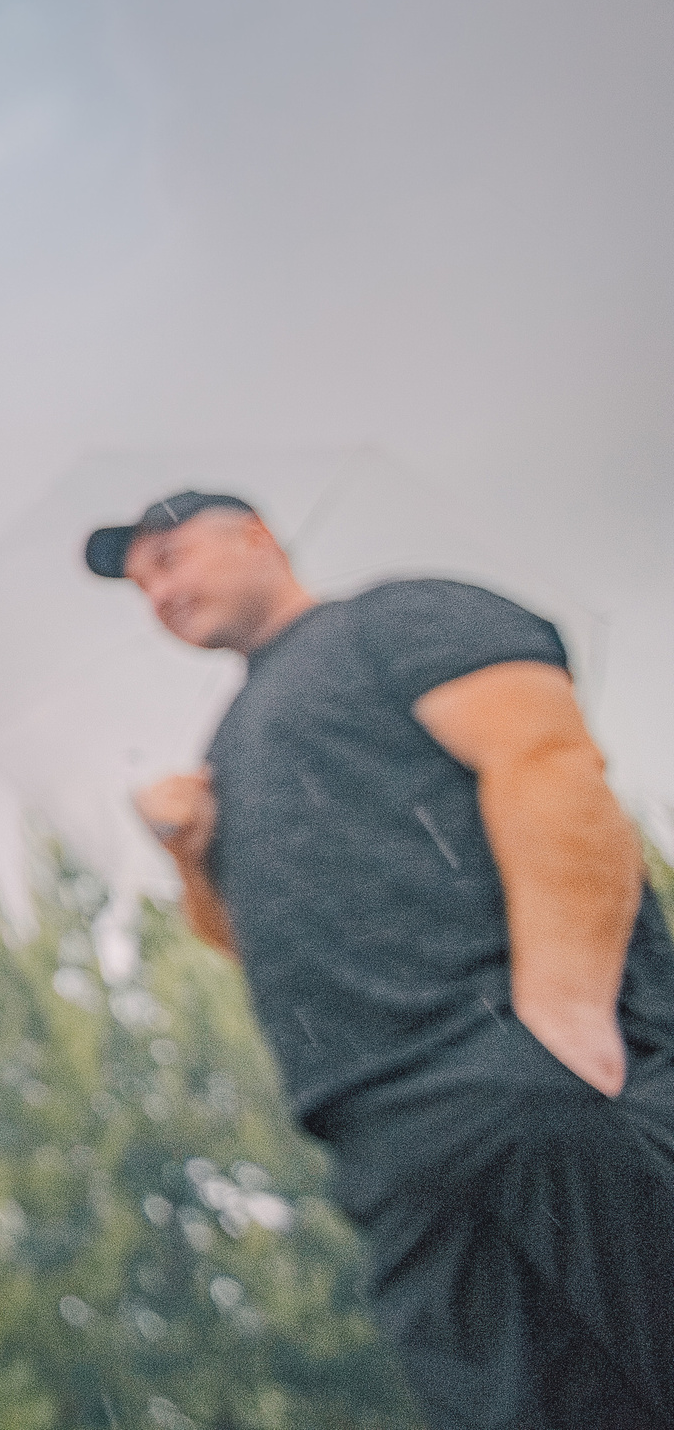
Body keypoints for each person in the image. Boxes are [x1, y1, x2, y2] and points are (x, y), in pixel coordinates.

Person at [92, 491, 674, 1429]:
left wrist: (566, 1020)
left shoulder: (398, 618)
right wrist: (192, 854)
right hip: (385, 1148)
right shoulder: (227, 750)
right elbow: (251, 940)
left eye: (171, 555)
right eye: (142, 583)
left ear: (256, 536)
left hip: (538, 1079)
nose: (157, 590)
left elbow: (546, 761)